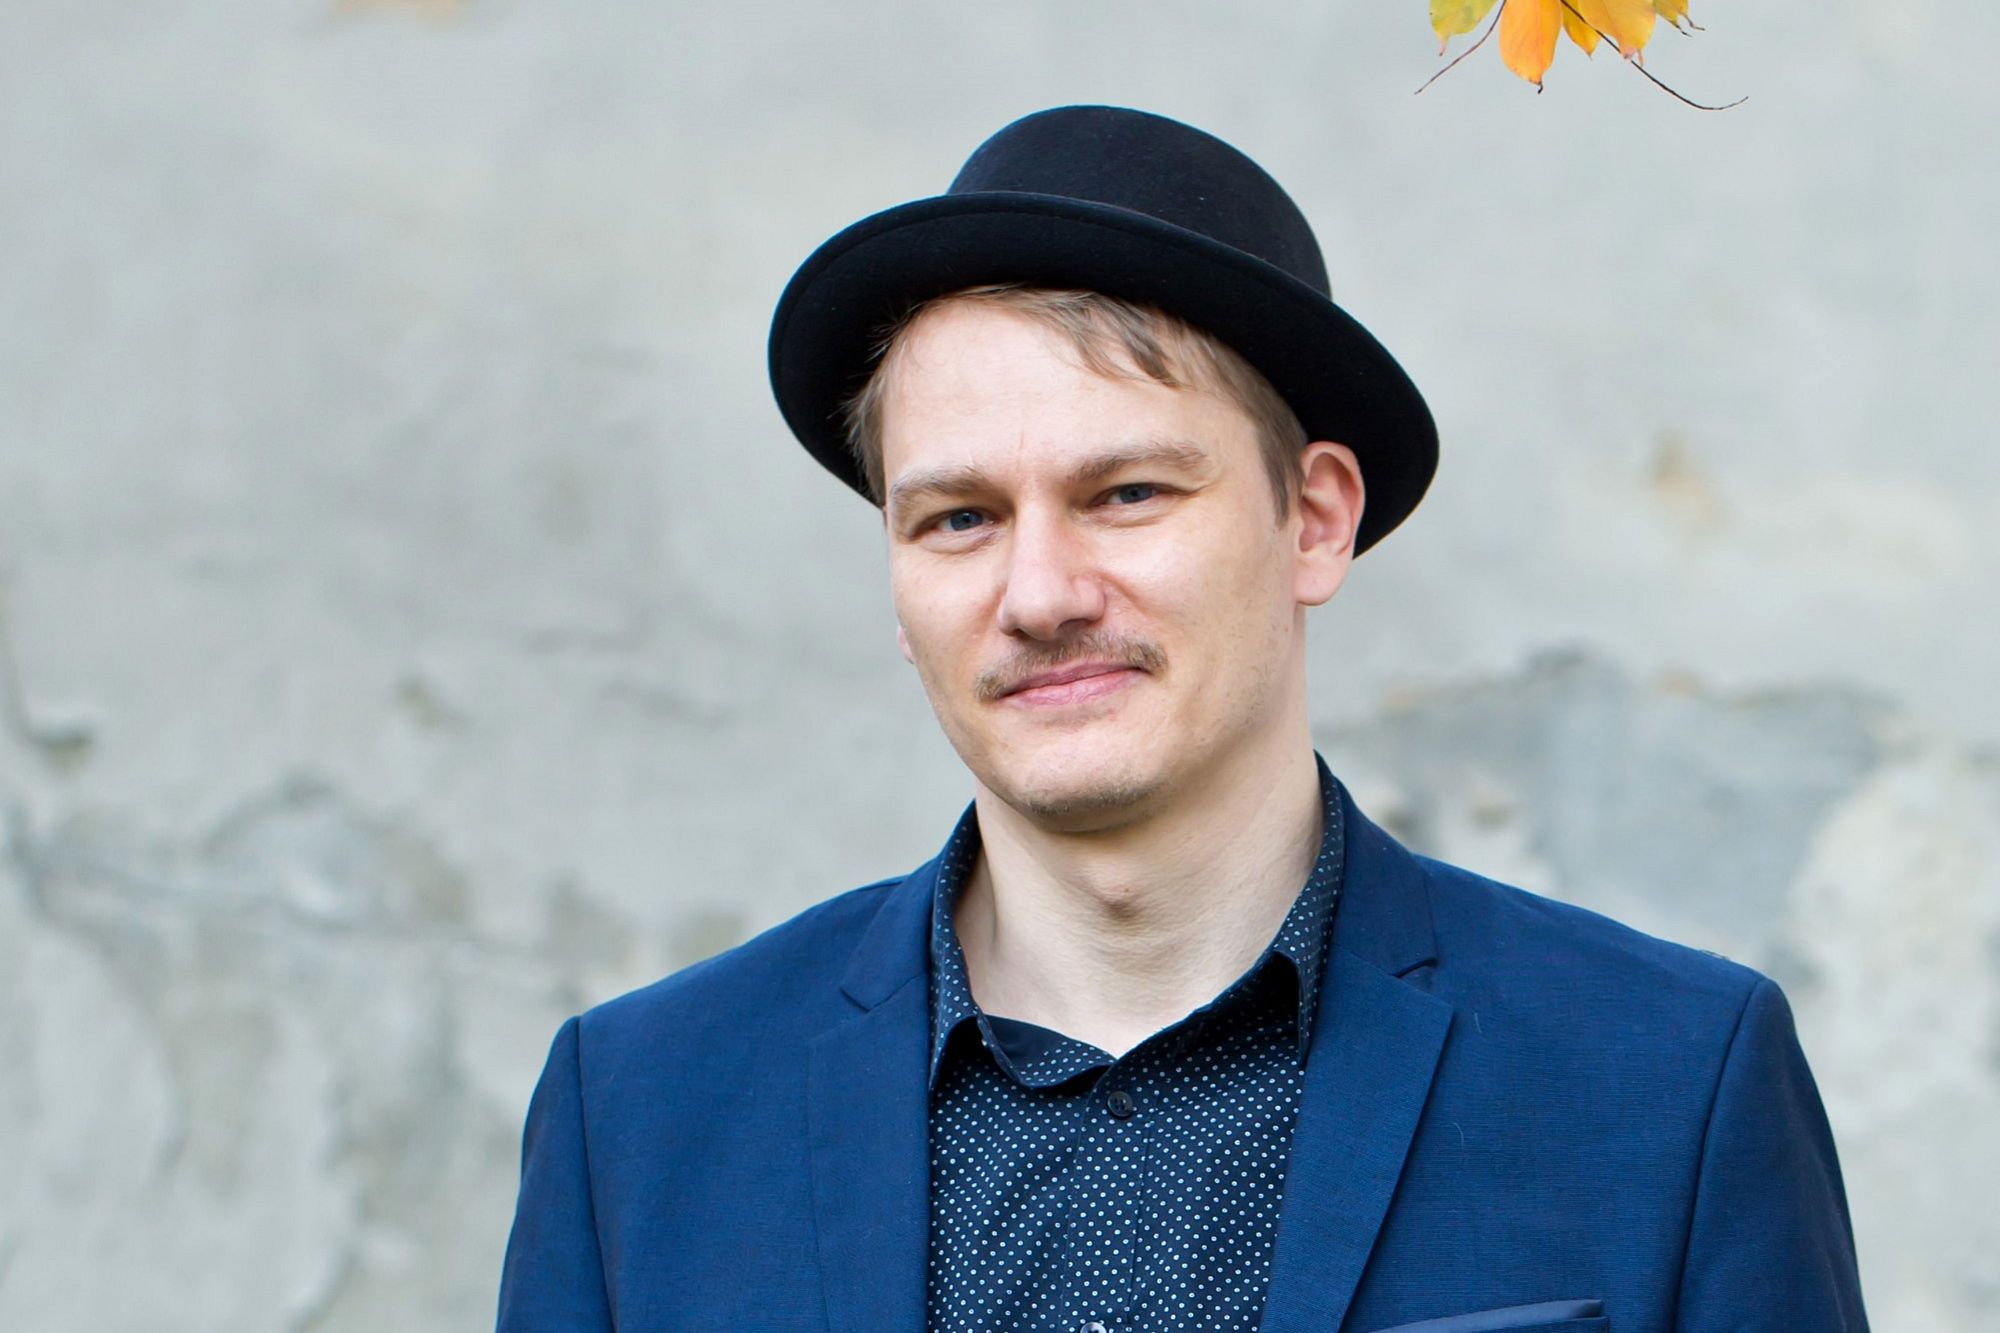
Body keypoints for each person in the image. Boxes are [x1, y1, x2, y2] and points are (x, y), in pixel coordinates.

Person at [496, 105, 1869, 1332]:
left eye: (1128, 494)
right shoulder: (642, 1114)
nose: (1041, 594)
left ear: (1313, 520)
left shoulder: (1669, 1081)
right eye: (960, 517)